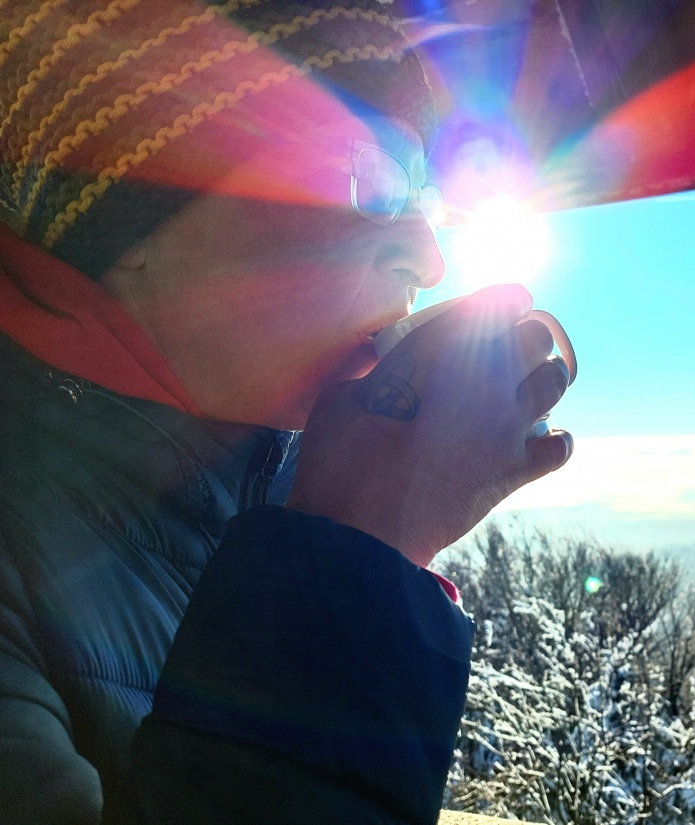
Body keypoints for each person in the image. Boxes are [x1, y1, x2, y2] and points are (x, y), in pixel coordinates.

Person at [0, 2, 574, 823]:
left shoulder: (277, 463)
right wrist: (354, 549)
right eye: (366, 176)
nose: (428, 252)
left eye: (422, 193)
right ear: (132, 211)